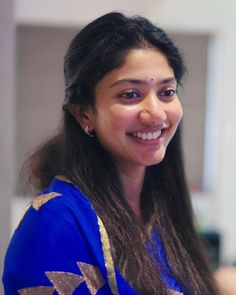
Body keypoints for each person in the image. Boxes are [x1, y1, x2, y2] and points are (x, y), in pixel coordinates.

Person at [2, 12, 219, 295]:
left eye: (166, 92)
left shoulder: (162, 208)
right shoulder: (55, 223)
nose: (155, 113)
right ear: (84, 114)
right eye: (130, 94)